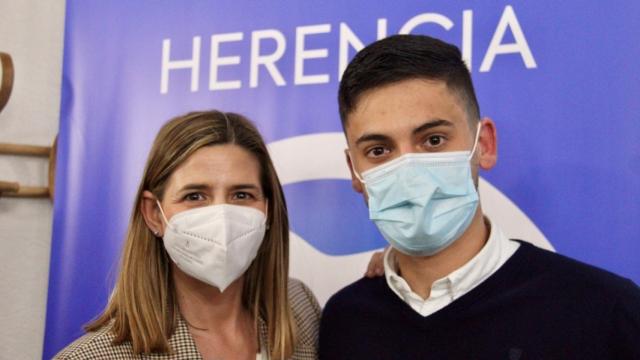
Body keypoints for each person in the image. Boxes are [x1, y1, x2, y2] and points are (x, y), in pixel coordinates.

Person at [319, 34, 640, 359]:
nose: (407, 168)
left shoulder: (603, 311)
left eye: (433, 140)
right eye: (379, 150)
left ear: (484, 144)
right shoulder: (345, 319)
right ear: (354, 171)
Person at [55, 110, 320, 359]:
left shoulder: (301, 308)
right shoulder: (91, 356)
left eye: (241, 195)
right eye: (194, 196)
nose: (222, 216)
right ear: (153, 214)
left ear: (268, 210)